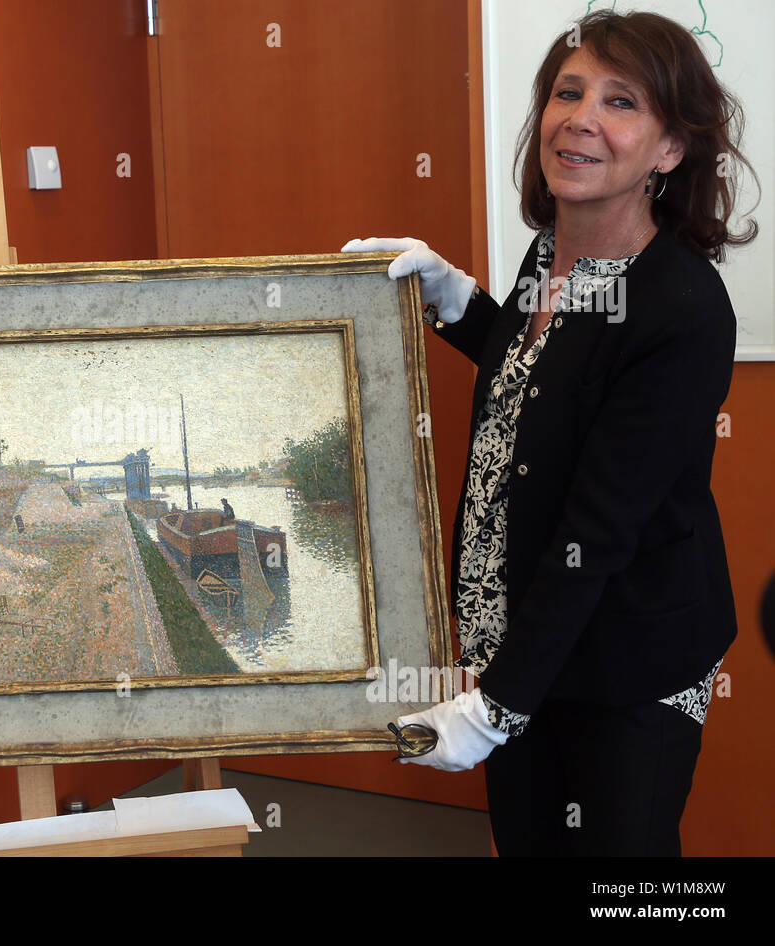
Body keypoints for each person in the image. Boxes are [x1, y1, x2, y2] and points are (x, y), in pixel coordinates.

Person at [346, 10, 752, 855]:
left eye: (622, 102)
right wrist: (459, 305)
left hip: (621, 668)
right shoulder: (549, 256)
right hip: (518, 648)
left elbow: (599, 531)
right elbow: (544, 379)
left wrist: (496, 707)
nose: (582, 118)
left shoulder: (680, 308)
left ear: (670, 150)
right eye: (569, 92)